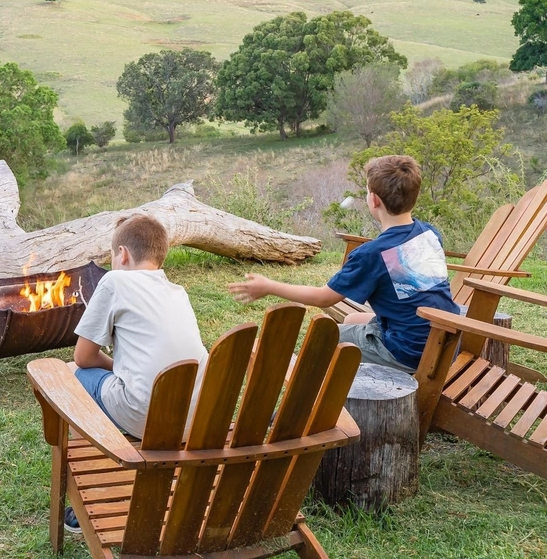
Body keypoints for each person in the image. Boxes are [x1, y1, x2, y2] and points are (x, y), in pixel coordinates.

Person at [228, 155, 460, 373]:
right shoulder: (428, 232)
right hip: (443, 340)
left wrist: (269, 286)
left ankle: (315, 403)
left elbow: (324, 298)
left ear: (374, 199)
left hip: (409, 352)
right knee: (350, 320)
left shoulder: (372, 254)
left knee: (323, 340)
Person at [62, 214, 208, 533]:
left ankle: (87, 494)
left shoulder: (116, 281)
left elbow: (83, 357)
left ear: (123, 254)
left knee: (72, 375)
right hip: (196, 416)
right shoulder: (178, 291)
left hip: (145, 415)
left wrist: (114, 367)